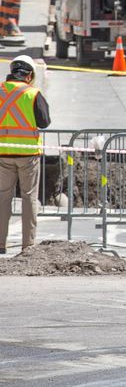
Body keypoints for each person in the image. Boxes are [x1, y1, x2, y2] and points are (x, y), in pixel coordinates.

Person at [0, 56, 52, 255]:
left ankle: (0, 244)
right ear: (29, 75)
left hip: (3, 153)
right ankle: (28, 245)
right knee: (29, 198)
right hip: (28, 155)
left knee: (2, 198)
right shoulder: (33, 94)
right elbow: (44, 121)